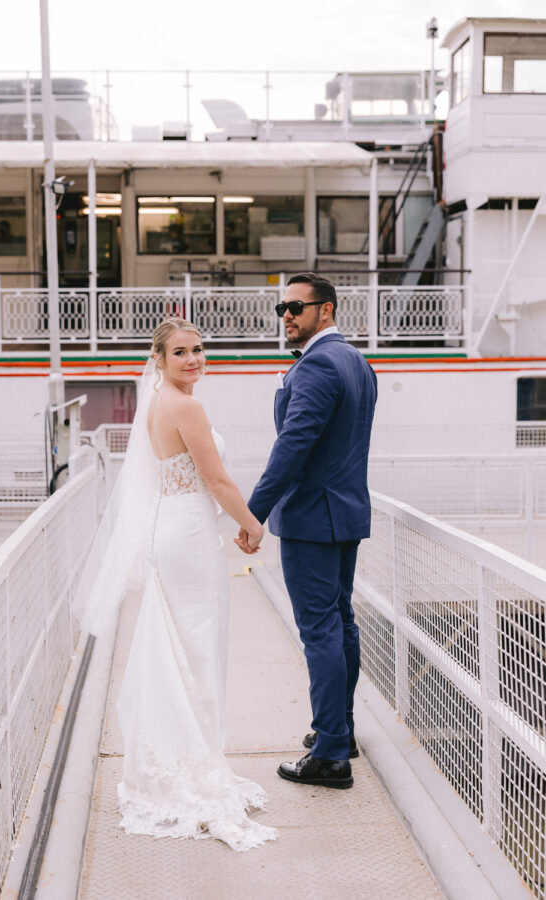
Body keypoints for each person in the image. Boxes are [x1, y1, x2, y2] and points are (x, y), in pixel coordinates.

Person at [73, 318, 276, 852]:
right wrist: (253, 526)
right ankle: (194, 762)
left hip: (173, 524)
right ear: (159, 360)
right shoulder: (186, 407)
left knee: (179, 645)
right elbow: (217, 481)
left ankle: (181, 756)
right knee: (199, 647)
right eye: (181, 352)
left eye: (199, 349)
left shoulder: (161, 401)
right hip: (188, 532)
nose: (193, 359)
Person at [236, 273, 377, 789]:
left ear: (326, 310)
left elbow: (293, 447)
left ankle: (331, 754)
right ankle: (341, 730)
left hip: (313, 519)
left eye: (297, 307)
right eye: (283, 308)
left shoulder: (317, 364)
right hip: (345, 514)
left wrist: (252, 514)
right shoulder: (357, 362)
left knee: (321, 631)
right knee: (340, 624)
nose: (287, 316)